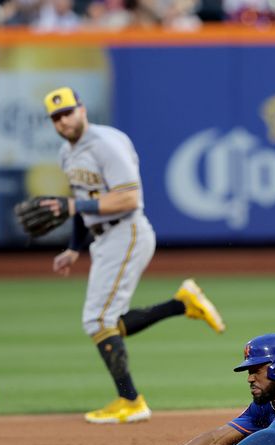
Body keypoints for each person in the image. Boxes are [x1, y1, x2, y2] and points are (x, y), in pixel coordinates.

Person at [42, 86, 227, 424]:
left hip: (125, 230)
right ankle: (182, 303)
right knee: (106, 321)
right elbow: (85, 202)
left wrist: (74, 206)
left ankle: (130, 400)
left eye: (67, 112)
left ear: (82, 109)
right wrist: (73, 247)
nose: (63, 120)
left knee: (97, 320)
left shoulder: (106, 144)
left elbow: (129, 199)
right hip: (103, 237)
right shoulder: (66, 154)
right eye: (55, 117)